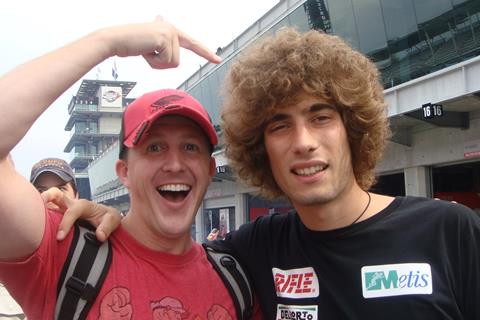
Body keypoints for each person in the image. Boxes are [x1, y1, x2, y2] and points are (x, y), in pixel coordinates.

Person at [59, 27, 480, 318]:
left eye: (320, 117)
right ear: (262, 150)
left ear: (352, 128)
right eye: (280, 125)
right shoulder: (253, 252)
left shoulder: (450, 233)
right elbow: (166, 253)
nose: (303, 141)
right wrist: (109, 217)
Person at [0, 18, 252, 319]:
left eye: (190, 147)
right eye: (154, 147)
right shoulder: (64, 249)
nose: (174, 164)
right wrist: (109, 41)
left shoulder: (238, 281)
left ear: (210, 169)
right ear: (124, 171)